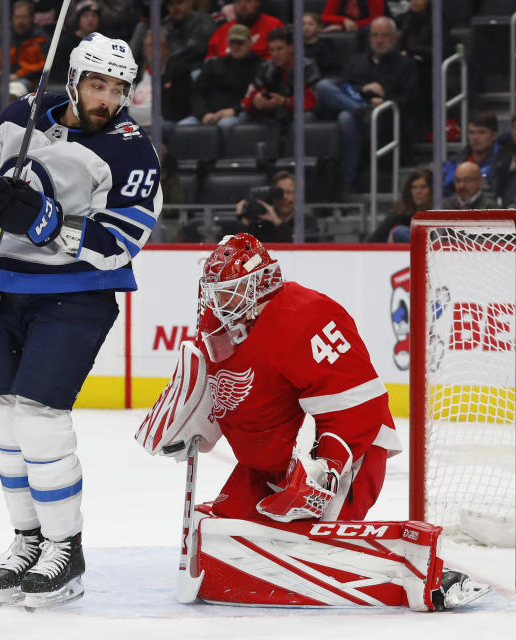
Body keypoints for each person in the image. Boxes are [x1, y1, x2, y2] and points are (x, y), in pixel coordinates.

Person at [136, 233, 490, 611]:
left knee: (311, 542)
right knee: (223, 536)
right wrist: (193, 423)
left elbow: (358, 404)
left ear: (261, 284)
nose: (218, 301)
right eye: (215, 291)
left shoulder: (305, 314)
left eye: (231, 291)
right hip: (271, 461)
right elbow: (229, 392)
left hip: (347, 451)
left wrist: (326, 472)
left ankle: (426, 577)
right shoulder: (219, 322)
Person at [0, 32, 161, 608]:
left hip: (78, 294)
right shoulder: (18, 119)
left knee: (41, 417)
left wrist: (44, 221)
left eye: (119, 88)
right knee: (8, 420)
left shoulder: (131, 150)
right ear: (72, 81)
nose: (107, 98)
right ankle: (28, 538)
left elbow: (121, 243)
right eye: (97, 85)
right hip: (11, 288)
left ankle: (66, 551)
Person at [314, 16, 416, 191]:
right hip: (357, 109)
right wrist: (362, 90)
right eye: (375, 35)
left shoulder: (405, 64)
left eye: (384, 36)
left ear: (394, 38)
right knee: (323, 87)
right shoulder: (356, 61)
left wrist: (384, 101)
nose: (379, 40)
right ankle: (361, 110)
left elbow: (410, 98)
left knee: (346, 117)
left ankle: (347, 181)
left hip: (384, 118)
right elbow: (343, 86)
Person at [180, 24, 262, 132]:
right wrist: (203, 114)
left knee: (225, 124)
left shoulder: (258, 66)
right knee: (183, 127)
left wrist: (235, 110)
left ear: (250, 43)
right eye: (233, 42)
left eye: (240, 42)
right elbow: (197, 92)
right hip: (208, 115)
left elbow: (255, 97)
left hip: (238, 115)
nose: (236, 46)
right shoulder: (213, 64)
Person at [241, 28, 319, 128]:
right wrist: (256, 101)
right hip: (274, 114)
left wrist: (284, 102)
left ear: (291, 48)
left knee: (304, 117)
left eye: (279, 49)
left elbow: (312, 101)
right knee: (244, 116)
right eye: (272, 50)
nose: (275, 54)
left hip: (300, 112)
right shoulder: (266, 67)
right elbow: (249, 98)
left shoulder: (307, 67)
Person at [0, 0, 48, 87]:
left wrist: (19, 75)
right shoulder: (2, 39)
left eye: (24, 17)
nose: (20, 21)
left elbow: (44, 66)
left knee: (16, 87)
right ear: (12, 18)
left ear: (32, 18)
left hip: (29, 81)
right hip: (2, 79)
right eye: (17, 17)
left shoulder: (41, 39)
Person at [222, 171, 304, 243]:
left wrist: (277, 222)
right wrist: (243, 220)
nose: (284, 197)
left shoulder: (305, 221)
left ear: (298, 195)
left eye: (289, 192)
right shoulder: (262, 223)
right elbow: (240, 249)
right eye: (279, 193)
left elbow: (296, 251)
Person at [441, 110, 499, 196]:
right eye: (471, 133)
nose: (475, 137)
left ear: (494, 135)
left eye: (481, 132)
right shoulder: (455, 161)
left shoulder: (503, 162)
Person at [204, 0, 284, 61]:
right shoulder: (222, 32)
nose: (243, 6)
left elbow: (281, 58)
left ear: (257, 2)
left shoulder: (274, 26)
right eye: (238, 2)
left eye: (248, 1)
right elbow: (210, 62)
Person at [368, 167, 431, 242]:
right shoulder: (399, 213)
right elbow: (374, 240)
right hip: (404, 252)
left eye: (423, 187)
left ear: (432, 189)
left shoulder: (440, 212)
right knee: (399, 232)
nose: (418, 191)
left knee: (399, 232)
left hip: (435, 250)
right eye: (414, 187)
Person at [50, 3, 100, 83]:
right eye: (86, 16)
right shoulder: (66, 40)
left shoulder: (103, 42)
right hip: (66, 82)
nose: (90, 19)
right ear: (78, 19)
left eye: (94, 16)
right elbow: (56, 67)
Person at [302, 12, 339, 78]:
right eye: (303, 24)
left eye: (311, 24)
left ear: (319, 27)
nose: (306, 27)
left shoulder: (327, 43)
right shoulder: (295, 46)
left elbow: (329, 65)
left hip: (323, 77)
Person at [321, 0, 387, 33]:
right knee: (327, 26)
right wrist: (344, 20)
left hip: (365, 24)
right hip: (343, 23)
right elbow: (325, 16)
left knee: (370, 29)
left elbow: (376, 19)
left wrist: (344, 26)